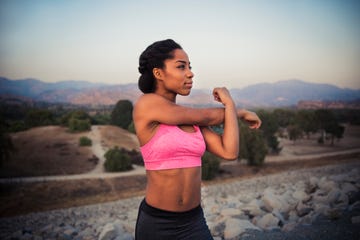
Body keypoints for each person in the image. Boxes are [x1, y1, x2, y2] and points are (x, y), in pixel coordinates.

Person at [133, 39, 261, 240]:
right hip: (158, 225)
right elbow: (209, 116)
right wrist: (240, 112)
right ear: (158, 73)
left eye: (189, 67)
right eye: (181, 66)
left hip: (193, 222)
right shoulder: (146, 104)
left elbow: (229, 151)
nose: (190, 73)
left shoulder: (192, 121)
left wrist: (230, 103)